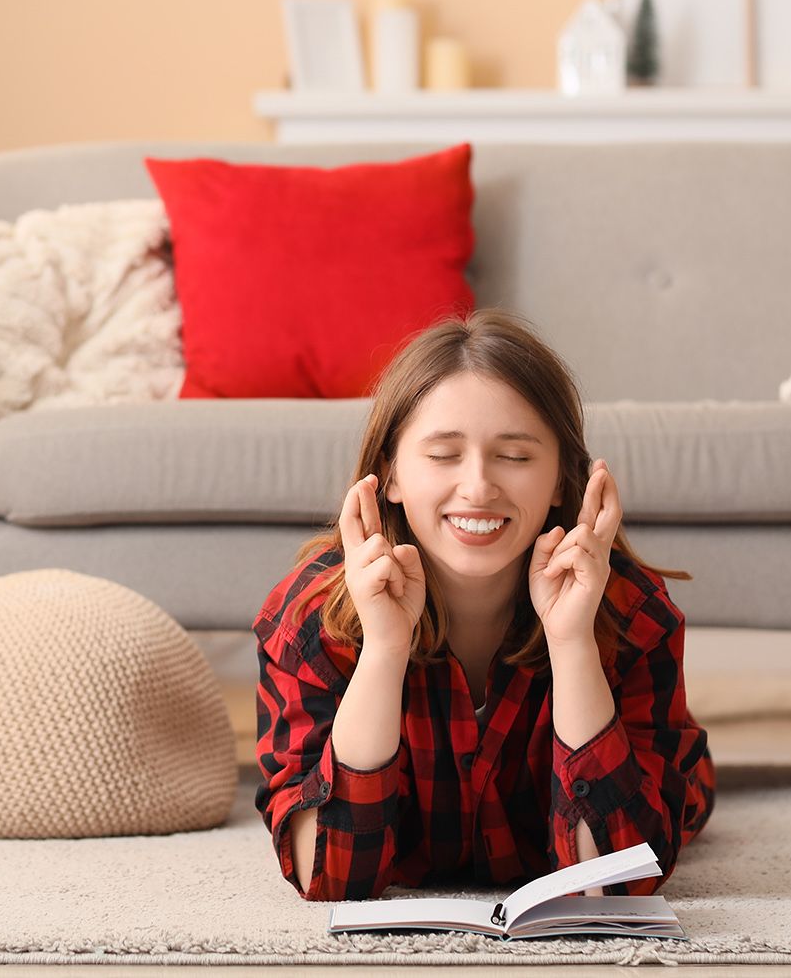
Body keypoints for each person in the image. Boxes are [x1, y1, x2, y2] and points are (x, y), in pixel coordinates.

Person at [252, 307, 716, 902]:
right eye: (443, 454)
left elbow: (618, 885)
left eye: (516, 457)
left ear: (558, 482)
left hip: (641, 768)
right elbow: (332, 879)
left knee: (690, 788)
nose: (477, 486)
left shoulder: (632, 615)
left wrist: (572, 644)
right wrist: (385, 650)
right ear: (388, 475)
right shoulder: (309, 621)